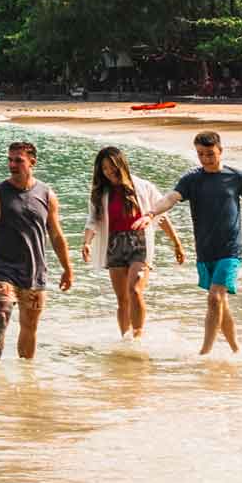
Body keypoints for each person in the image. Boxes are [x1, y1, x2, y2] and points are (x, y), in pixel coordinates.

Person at [164, 130, 242, 356]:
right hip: (205, 250)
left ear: (220, 151)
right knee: (220, 302)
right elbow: (170, 198)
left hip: (231, 249)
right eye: (200, 154)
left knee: (214, 298)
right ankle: (237, 350)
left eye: (210, 154)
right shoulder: (191, 179)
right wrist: (150, 213)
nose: (205, 159)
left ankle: (204, 353)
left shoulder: (236, 177)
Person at [0, 139, 73, 363]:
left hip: (34, 271)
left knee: (30, 326)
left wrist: (67, 269)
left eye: (18, 160)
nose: (12, 165)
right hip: (4, 269)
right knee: (1, 315)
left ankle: (26, 378)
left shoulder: (46, 194)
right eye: (10, 160)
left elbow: (56, 234)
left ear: (32, 162)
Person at [83, 144, 159, 340]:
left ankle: (138, 336)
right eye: (104, 169)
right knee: (122, 299)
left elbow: (160, 212)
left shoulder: (142, 187)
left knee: (134, 290)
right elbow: (93, 221)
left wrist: (176, 243)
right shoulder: (101, 193)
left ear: (121, 165)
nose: (109, 173)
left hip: (139, 243)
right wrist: (87, 243)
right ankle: (125, 338)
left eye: (112, 167)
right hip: (114, 244)